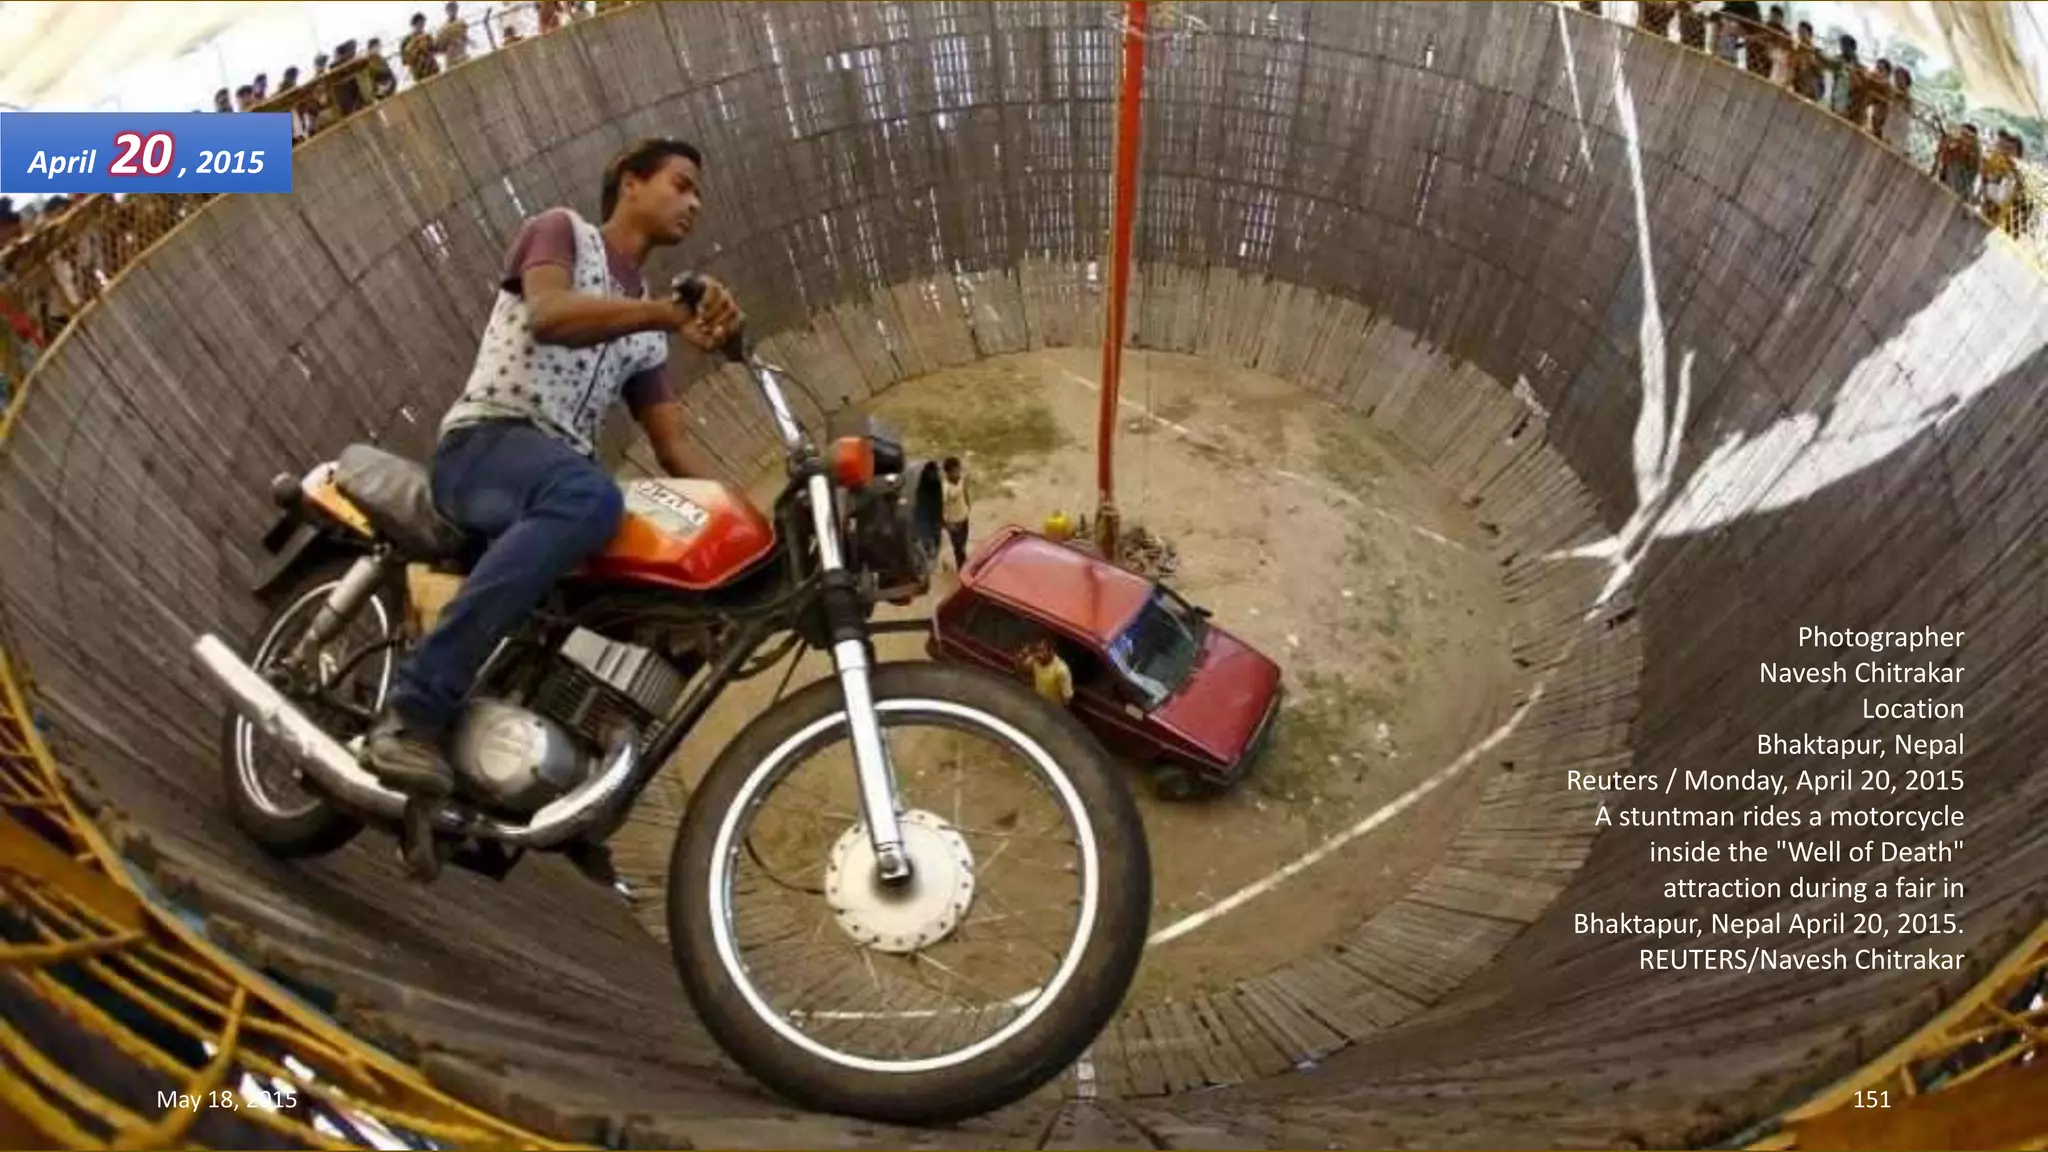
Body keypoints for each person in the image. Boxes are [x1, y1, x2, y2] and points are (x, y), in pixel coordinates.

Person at [364, 138, 742, 797]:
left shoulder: (648, 332)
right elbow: (549, 314)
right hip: (487, 441)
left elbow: (673, 449)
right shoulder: (562, 231)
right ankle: (412, 711)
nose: (695, 203)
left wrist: (743, 537)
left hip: (548, 478)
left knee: (633, 585)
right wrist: (662, 313)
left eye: (699, 194)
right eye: (681, 185)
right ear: (630, 182)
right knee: (591, 499)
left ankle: (550, 773)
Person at [1020, 640, 1074, 708]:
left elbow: (1067, 699)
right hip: (1036, 703)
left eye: (1042, 651)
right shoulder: (1036, 661)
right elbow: (1021, 671)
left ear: (1051, 651)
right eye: (1037, 650)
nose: (1038, 654)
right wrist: (1023, 657)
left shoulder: (1061, 670)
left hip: (1051, 709)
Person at [940, 455, 971, 568]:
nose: (958, 473)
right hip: (953, 523)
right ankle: (962, 569)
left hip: (964, 518)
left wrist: (968, 506)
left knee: (963, 545)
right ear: (948, 473)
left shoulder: (961, 480)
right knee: (958, 548)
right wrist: (946, 525)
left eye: (958, 469)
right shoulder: (945, 488)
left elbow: (964, 491)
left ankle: (964, 566)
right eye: (955, 471)